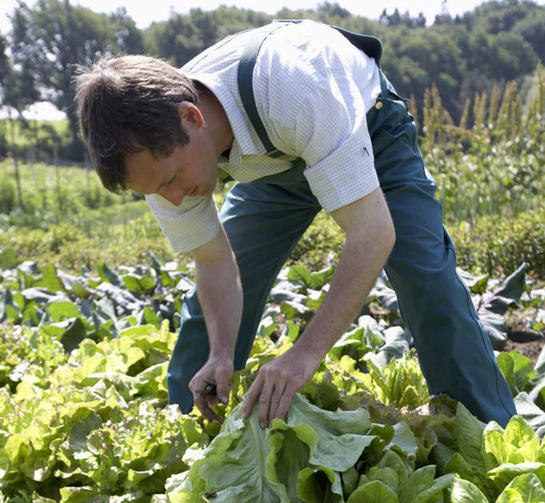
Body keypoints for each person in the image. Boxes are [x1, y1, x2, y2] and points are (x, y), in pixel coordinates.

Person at [75, 18, 516, 428]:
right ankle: (187, 433)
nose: (172, 199)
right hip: (268, 164)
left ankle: (487, 431)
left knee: (424, 275)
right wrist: (220, 352)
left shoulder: (293, 87)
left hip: (365, 127)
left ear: (192, 118)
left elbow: (373, 233)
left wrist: (304, 355)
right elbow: (214, 263)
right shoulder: (159, 164)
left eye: (171, 181)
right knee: (205, 322)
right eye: (155, 192)